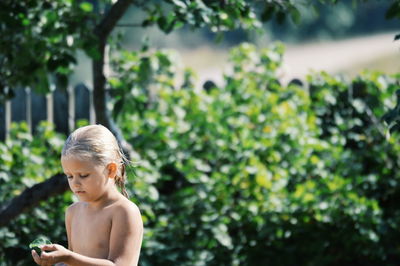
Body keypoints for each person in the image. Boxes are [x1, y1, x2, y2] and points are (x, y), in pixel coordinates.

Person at [32, 125, 143, 266]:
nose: (75, 183)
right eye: (70, 176)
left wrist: (67, 257)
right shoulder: (73, 212)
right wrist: (56, 261)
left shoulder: (124, 211)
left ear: (110, 170)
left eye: (83, 175)